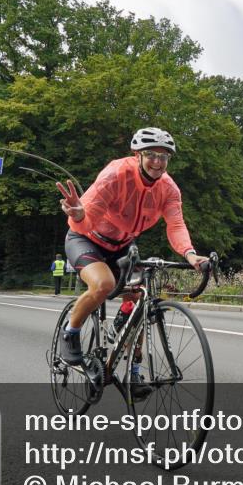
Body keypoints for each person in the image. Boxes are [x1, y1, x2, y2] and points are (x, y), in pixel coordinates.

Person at [55, 127, 208, 398]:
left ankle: (133, 371)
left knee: (140, 300)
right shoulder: (116, 175)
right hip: (86, 238)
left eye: (164, 157)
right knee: (103, 284)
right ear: (137, 155)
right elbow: (85, 221)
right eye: (151, 155)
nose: (157, 162)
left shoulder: (168, 189)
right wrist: (78, 215)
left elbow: (175, 225)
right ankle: (71, 332)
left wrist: (190, 254)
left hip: (123, 246)